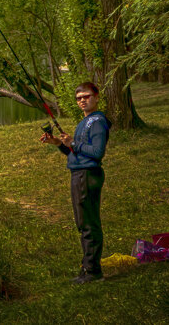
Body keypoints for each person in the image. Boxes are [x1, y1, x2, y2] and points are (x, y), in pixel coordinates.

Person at [40, 81, 110, 284]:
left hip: (87, 175)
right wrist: (58, 143)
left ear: (96, 97)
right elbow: (75, 152)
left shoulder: (97, 121)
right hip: (80, 173)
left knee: (88, 223)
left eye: (86, 96)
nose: (82, 101)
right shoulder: (84, 122)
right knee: (84, 222)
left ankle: (93, 271)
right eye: (79, 98)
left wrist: (74, 143)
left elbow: (97, 153)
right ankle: (88, 268)